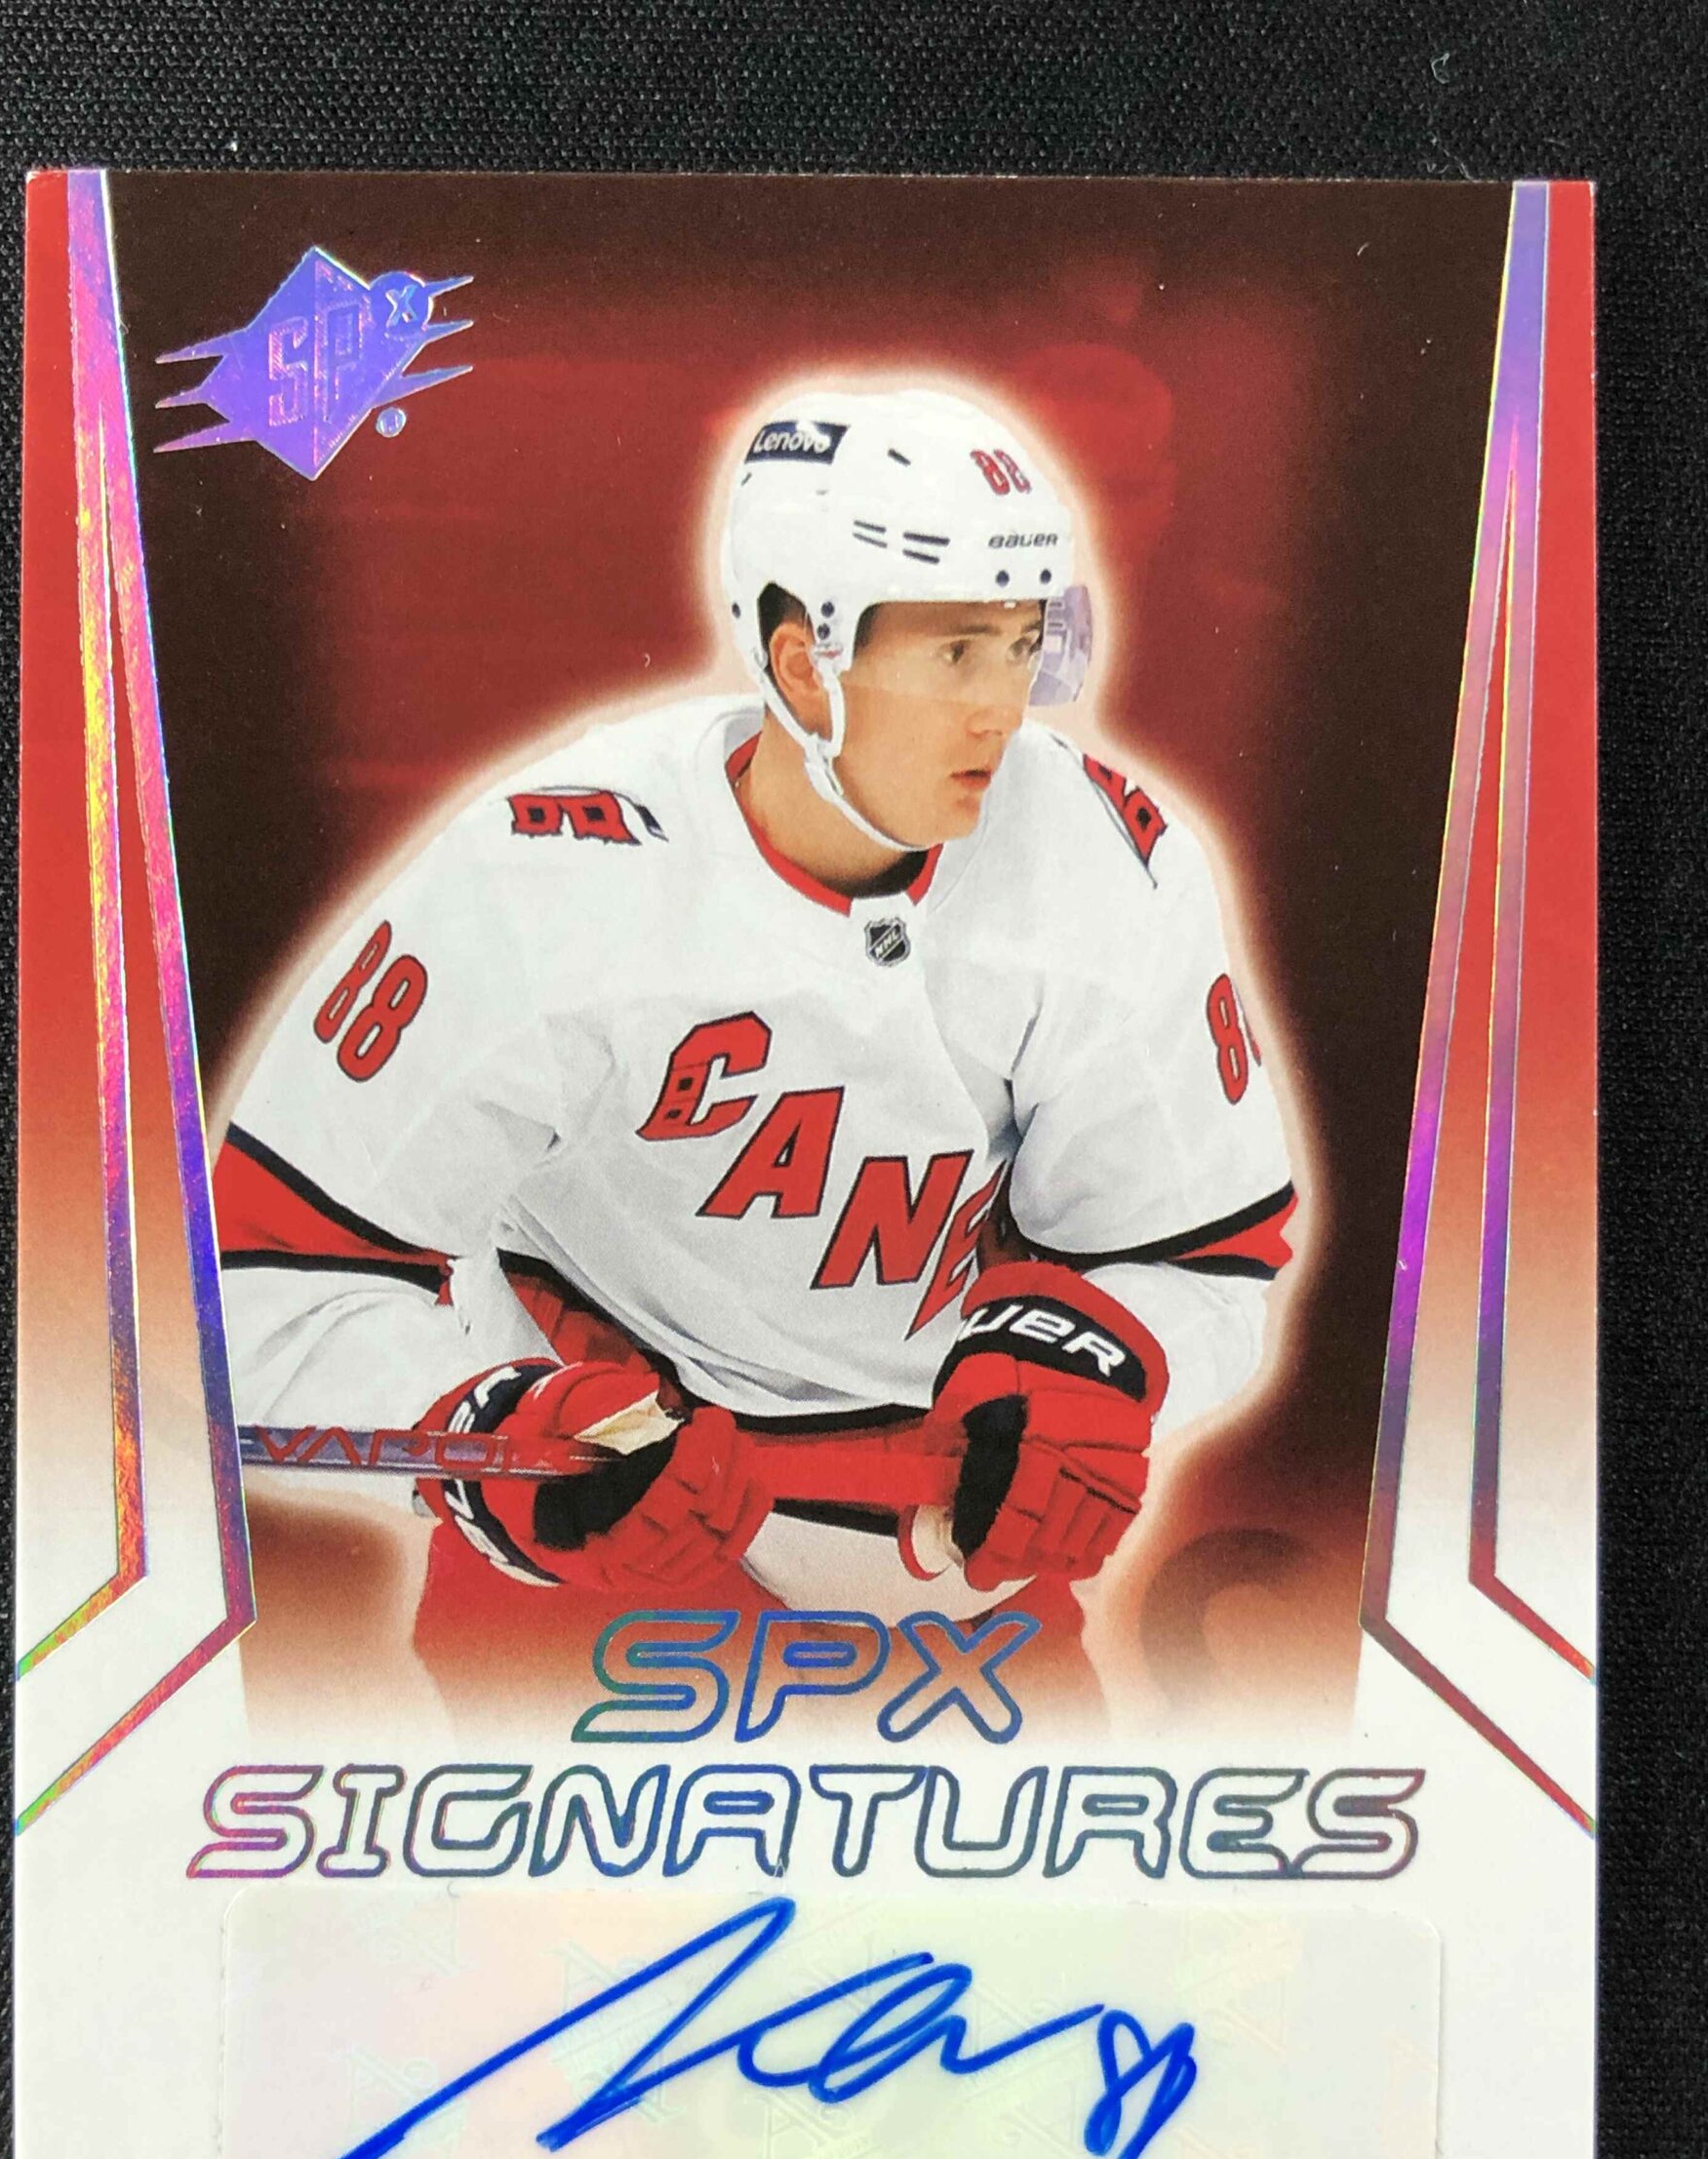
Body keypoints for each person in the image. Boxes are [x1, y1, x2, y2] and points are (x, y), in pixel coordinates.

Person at [214, 384, 1295, 1684]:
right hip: (608, 1534)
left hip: (952, 1565)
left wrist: (1096, 1363)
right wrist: (486, 1438)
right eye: (955, 653)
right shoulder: (544, 882)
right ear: (801, 663)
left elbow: (1202, 1258)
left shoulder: (1107, 868)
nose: (1003, 710)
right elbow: (269, 1281)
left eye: (1022, 647)